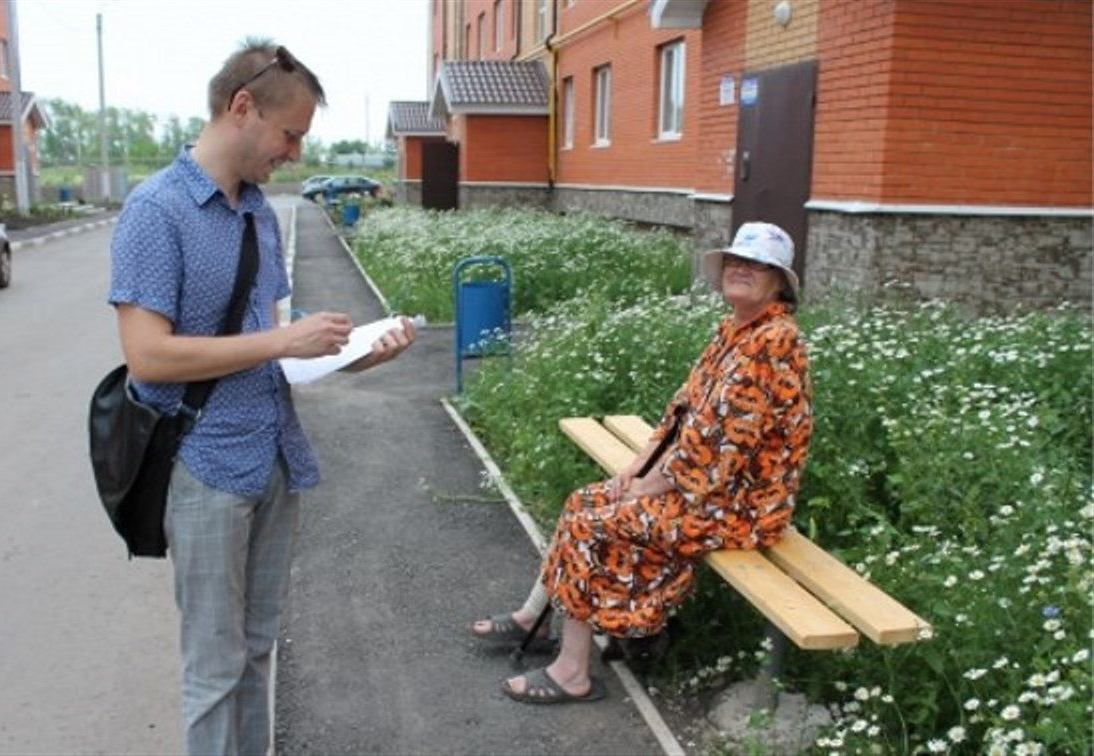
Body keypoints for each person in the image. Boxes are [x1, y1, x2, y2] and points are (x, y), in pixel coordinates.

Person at [108, 39, 415, 754]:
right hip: (204, 468)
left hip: (273, 457)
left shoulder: (255, 213)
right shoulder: (157, 211)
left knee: (254, 651)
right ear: (240, 108)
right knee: (215, 670)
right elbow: (147, 355)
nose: (295, 154)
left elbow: (272, 350)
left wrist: (351, 356)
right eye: (290, 135)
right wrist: (282, 342)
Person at [470, 221, 813, 704]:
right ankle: (537, 619)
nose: (742, 269)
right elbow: (682, 412)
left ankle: (572, 672)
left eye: (758, 265)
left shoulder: (774, 341)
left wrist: (653, 486)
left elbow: (722, 446)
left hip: (739, 507)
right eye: (736, 260)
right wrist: (637, 468)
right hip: (704, 490)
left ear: (779, 283)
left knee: (596, 526)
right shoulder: (736, 330)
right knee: (582, 502)